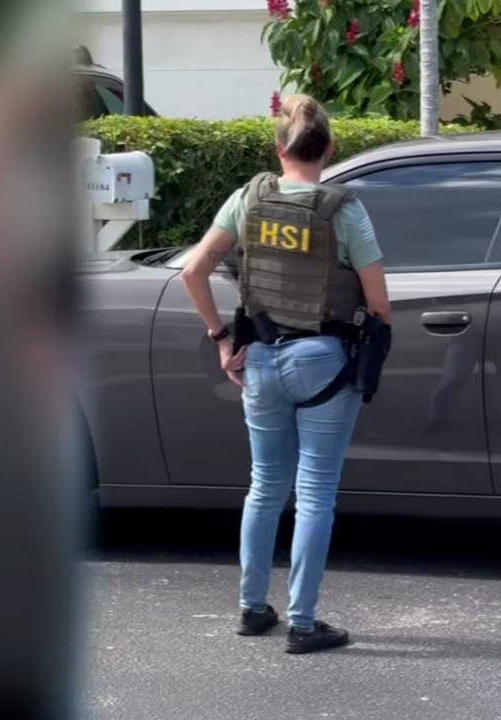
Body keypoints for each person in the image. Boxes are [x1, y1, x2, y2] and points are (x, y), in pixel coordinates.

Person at [180, 95, 391, 654]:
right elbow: (380, 305)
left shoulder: (248, 199)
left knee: (265, 486)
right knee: (316, 492)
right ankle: (303, 621)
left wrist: (222, 338)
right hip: (324, 361)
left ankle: (252, 609)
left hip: (262, 359)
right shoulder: (344, 210)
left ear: (279, 148)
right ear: (330, 149)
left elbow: (192, 270)